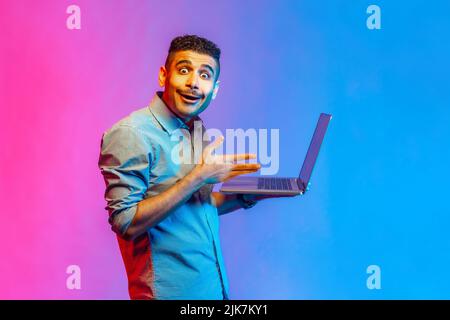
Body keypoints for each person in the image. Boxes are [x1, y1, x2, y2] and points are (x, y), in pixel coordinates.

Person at [98, 35, 288, 300]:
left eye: (205, 75)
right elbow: (125, 223)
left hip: (212, 292)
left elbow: (197, 207)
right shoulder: (131, 133)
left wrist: (248, 196)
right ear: (164, 76)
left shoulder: (195, 129)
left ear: (215, 88)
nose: (194, 83)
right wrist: (198, 176)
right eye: (184, 70)